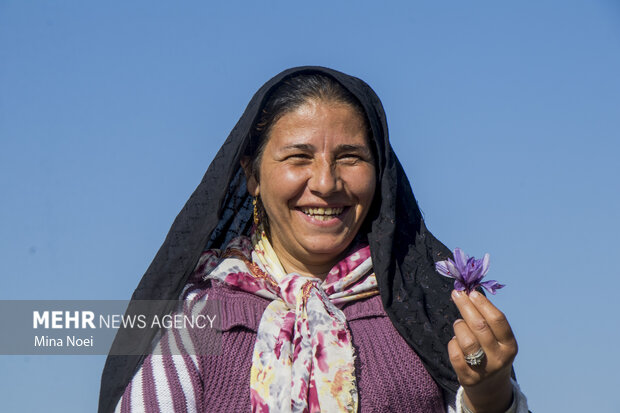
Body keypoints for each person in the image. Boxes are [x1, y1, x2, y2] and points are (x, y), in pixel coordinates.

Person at [99, 67, 529, 413]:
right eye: (298, 157)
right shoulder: (198, 319)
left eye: (350, 157)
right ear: (252, 175)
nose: (325, 183)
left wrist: (489, 395)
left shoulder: (424, 309)